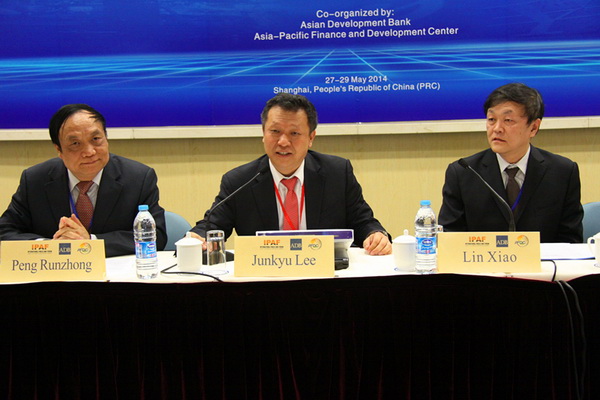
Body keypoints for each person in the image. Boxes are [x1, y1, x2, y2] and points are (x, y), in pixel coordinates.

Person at [190, 93, 391, 255]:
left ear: (311, 138)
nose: (283, 142)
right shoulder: (239, 181)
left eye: (294, 133)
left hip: (325, 277)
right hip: (265, 279)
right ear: (263, 133)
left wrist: (375, 235)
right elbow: (212, 225)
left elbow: (363, 222)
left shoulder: (337, 173)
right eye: (275, 131)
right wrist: (197, 238)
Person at [0, 104, 167, 257]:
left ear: (106, 138)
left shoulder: (138, 178)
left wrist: (90, 242)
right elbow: (5, 232)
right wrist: (49, 246)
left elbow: (156, 237)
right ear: (59, 150)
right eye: (75, 143)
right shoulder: (35, 180)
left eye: (96, 139)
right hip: (55, 273)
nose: (89, 152)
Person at [438, 83, 583, 243]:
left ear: (534, 128)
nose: (497, 128)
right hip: (482, 259)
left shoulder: (562, 172)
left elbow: (571, 240)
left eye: (508, 120)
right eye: (491, 119)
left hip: (544, 259)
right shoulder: (464, 172)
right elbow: (449, 240)